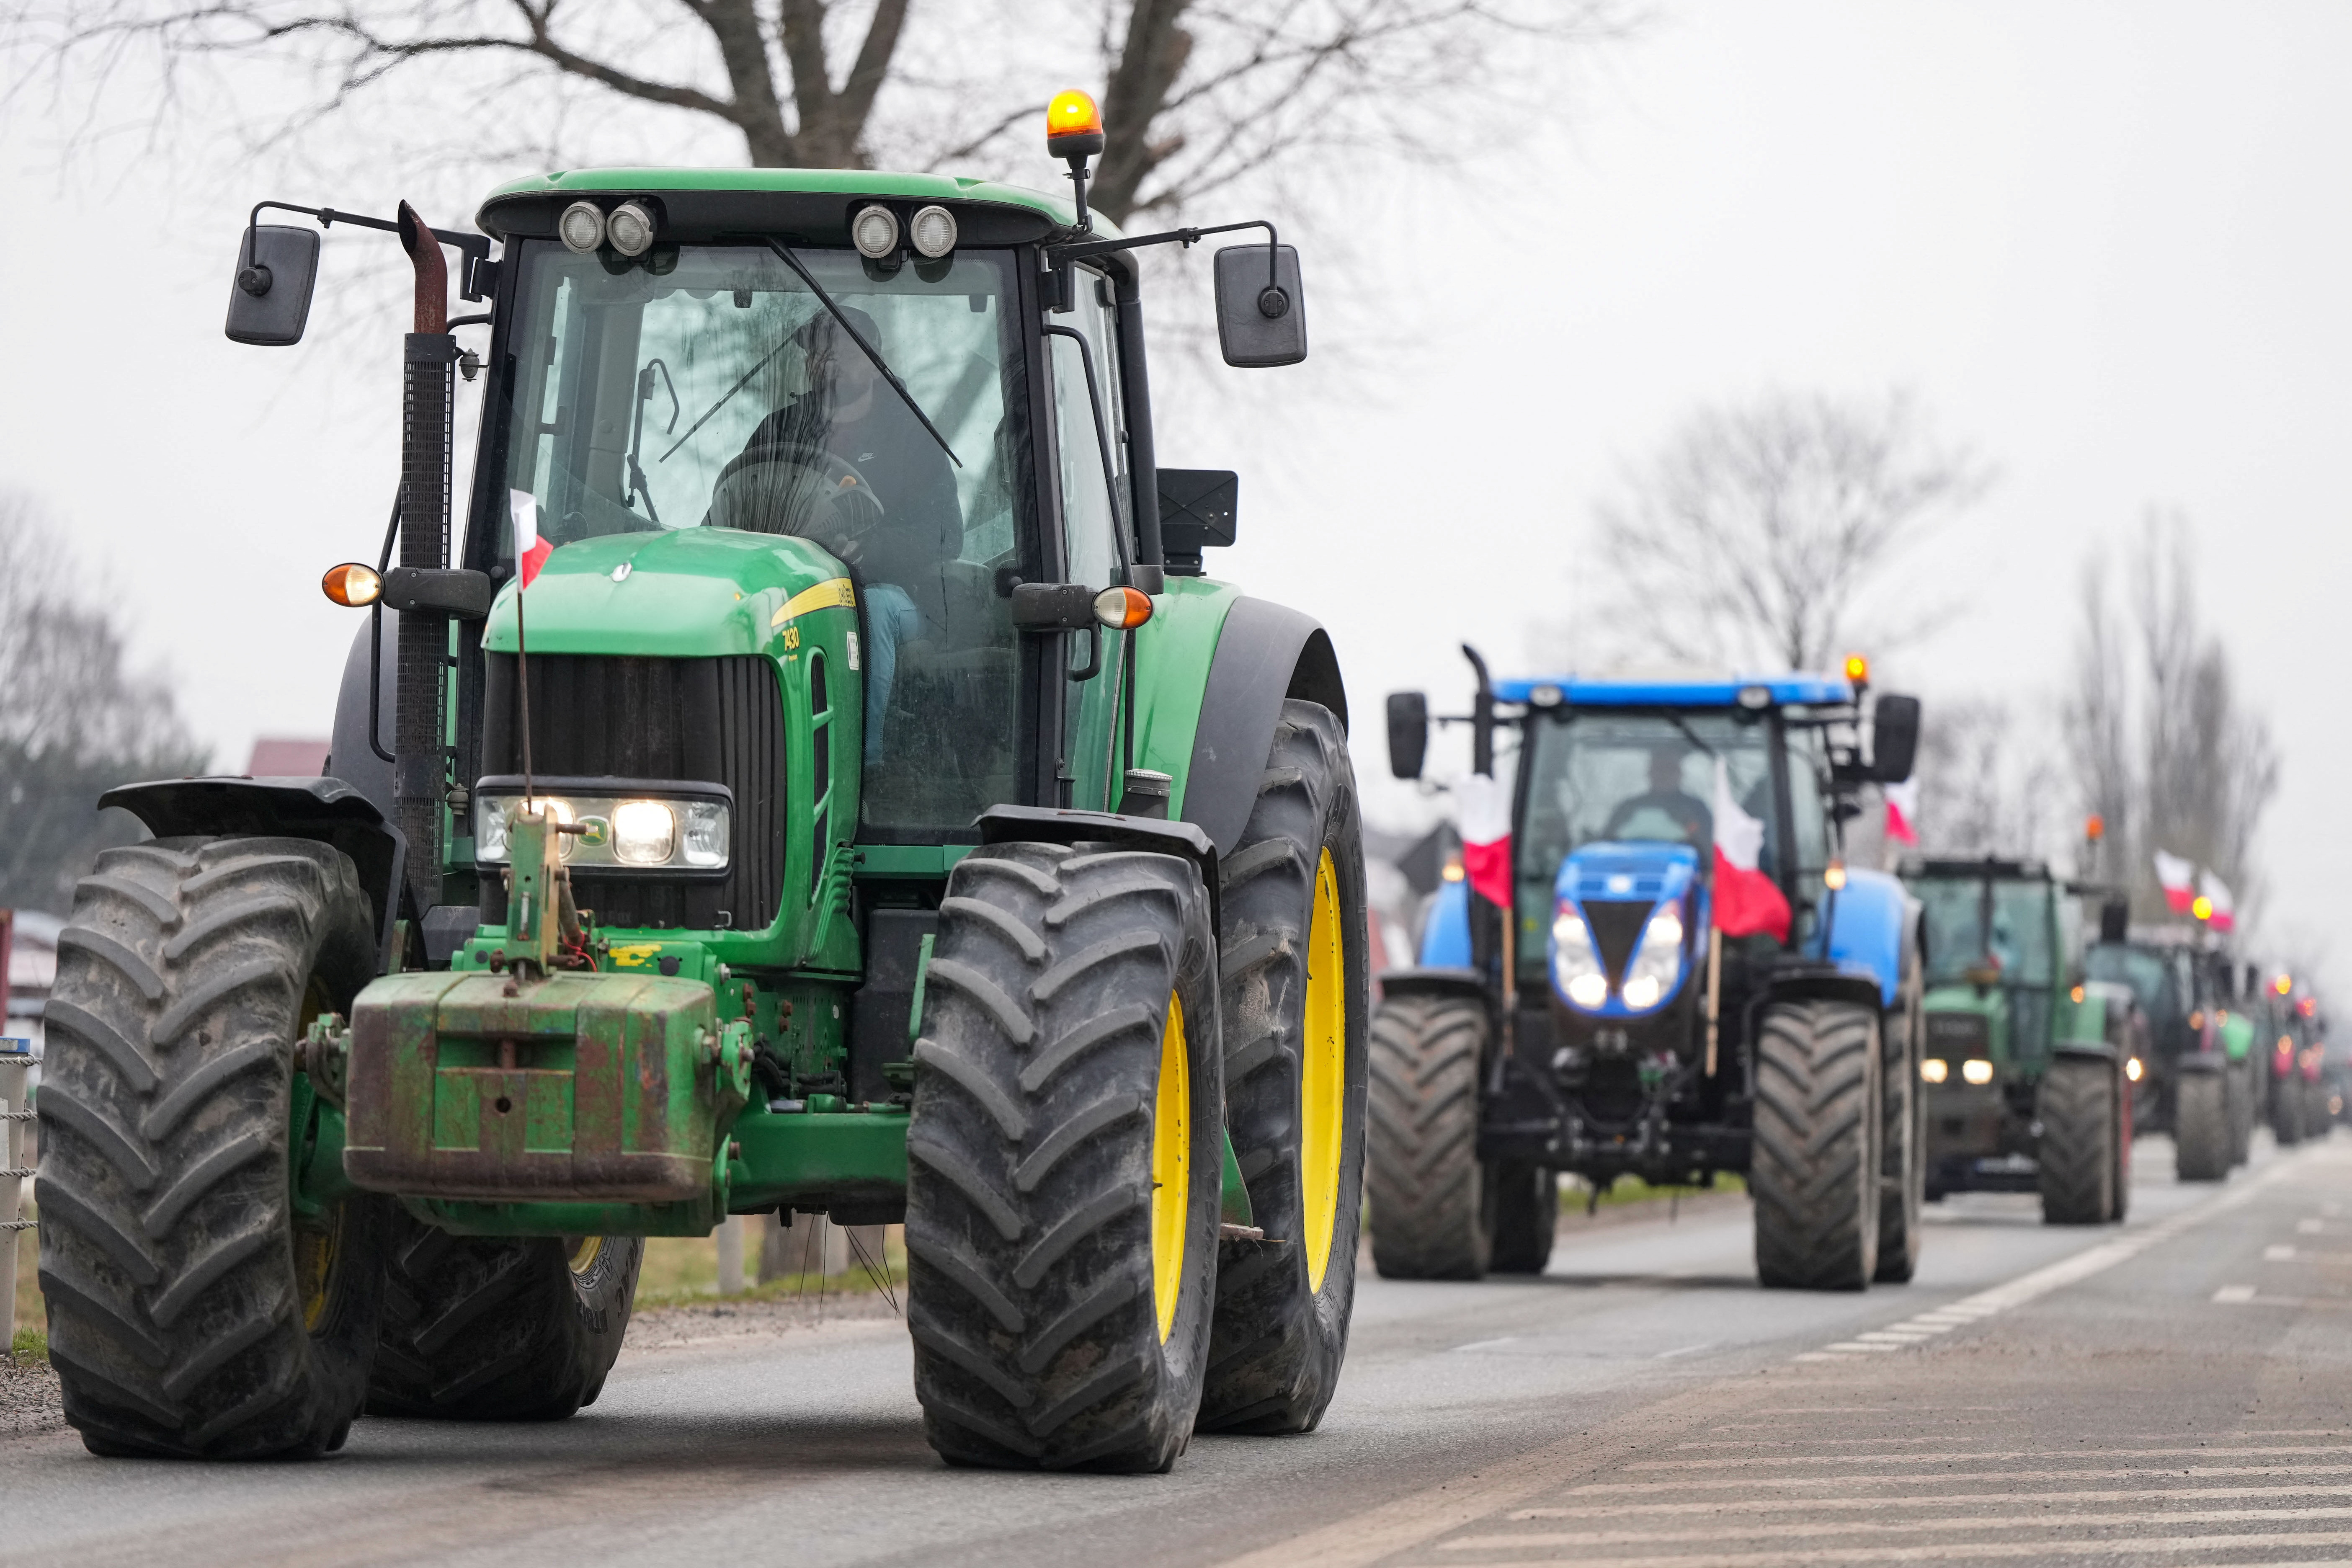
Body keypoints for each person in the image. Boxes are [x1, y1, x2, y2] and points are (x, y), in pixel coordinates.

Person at [739, 307, 962, 760]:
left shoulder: (912, 437)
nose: (828, 360)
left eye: (842, 350)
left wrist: (870, 552)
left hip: (893, 592)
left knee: (873, 607)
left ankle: (868, 764)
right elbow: (734, 506)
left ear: (875, 363)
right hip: (790, 591)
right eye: (818, 350)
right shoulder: (777, 432)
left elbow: (944, 534)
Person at [1599, 745, 1713, 846]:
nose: (1664, 775)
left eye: (1669, 769)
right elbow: (1606, 845)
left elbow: (1707, 849)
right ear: (1650, 772)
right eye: (1659, 769)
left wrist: (1689, 826)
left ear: (1680, 773)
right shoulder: (1628, 809)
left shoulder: (1697, 809)